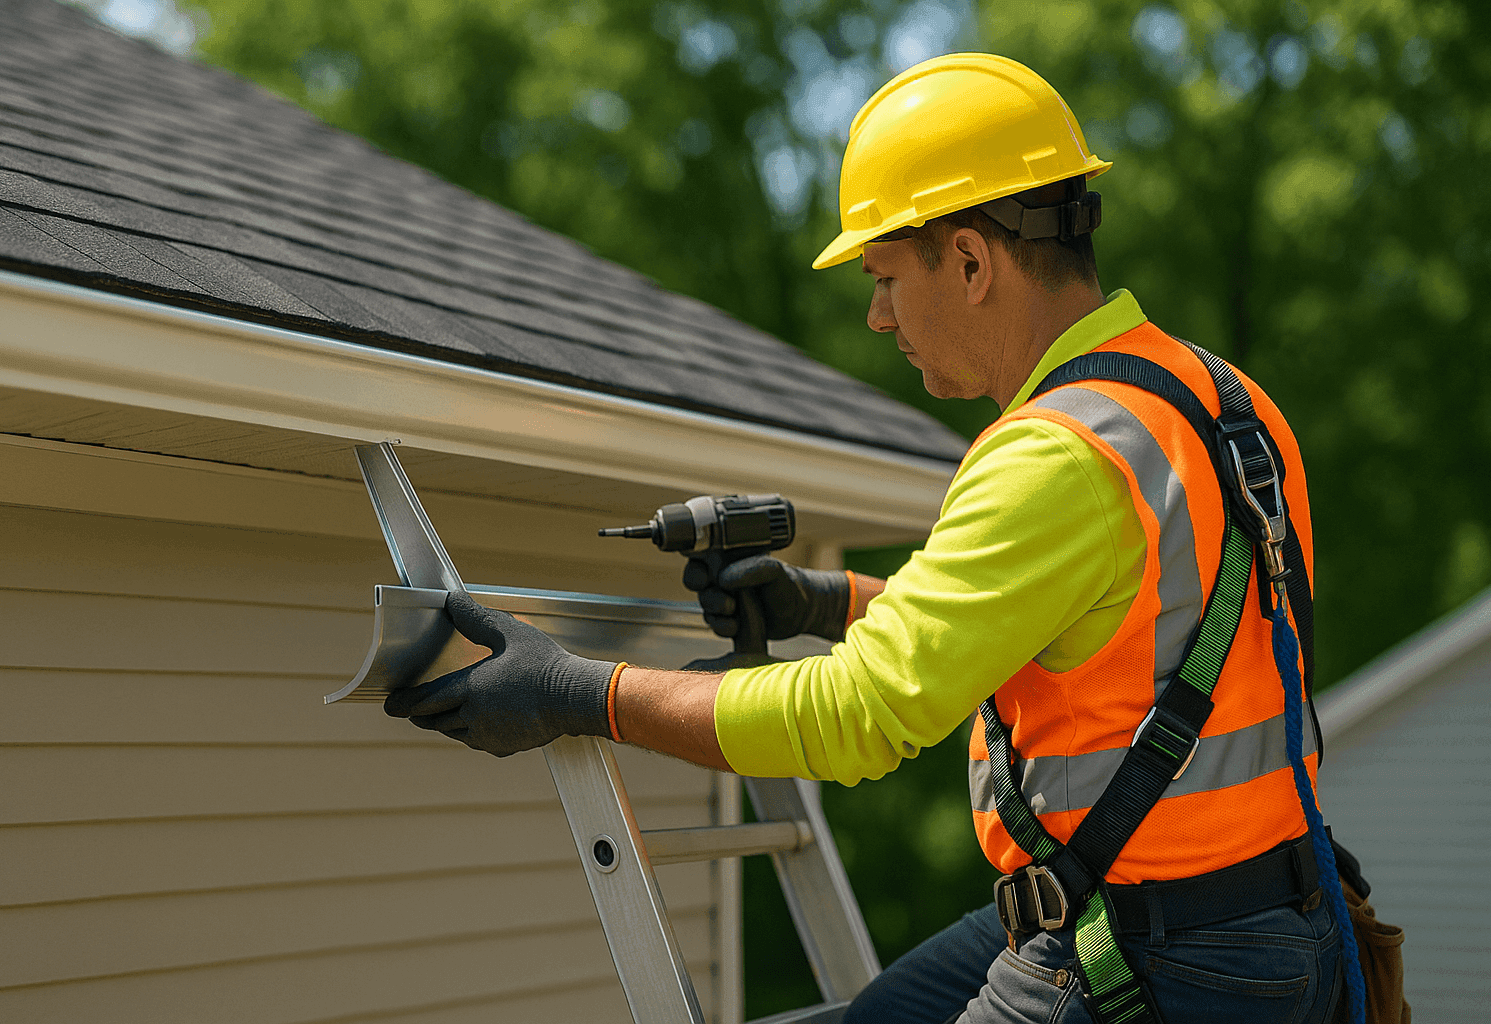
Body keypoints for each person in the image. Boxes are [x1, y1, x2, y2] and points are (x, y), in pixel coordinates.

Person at [384, 54, 1350, 1024]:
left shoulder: (1055, 455)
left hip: (1159, 950)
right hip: (1275, 915)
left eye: (886, 276)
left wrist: (578, 691)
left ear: (971, 262)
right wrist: (826, 601)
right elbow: (1083, 621)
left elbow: (858, 716)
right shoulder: (1221, 405)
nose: (878, 314)